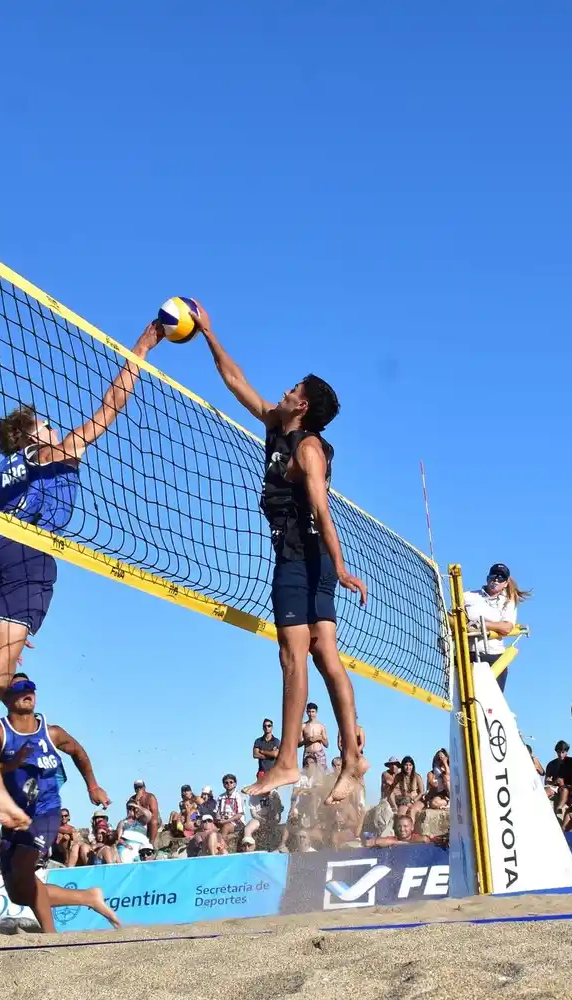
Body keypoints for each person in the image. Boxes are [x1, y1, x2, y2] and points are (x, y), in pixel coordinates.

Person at [0, 320, 163, 827]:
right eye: (44, 423)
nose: (52, 426)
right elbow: (109, 408)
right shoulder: (50, 452)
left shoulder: (7, 471)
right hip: (27, 555)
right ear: (31, 434)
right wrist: (144, 346)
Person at [194, 304, 366, 805]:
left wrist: (338, 565)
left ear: (304, 407)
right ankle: (353, 759)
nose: (286, 391)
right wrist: (208, 332)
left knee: (294, 657)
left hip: (302, 559)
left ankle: (288, 762)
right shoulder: (276, 424)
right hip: (305, 559)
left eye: (294, 390)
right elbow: (234, 378)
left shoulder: (308, 449)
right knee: (323, 654)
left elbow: (322, 507)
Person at [0, 671, 119, 929]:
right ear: (5, 698)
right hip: (13, 816)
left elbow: (78, 752)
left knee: (25, 873)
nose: (28, 691)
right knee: (18, 893)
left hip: (46, 813)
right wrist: (10, 764)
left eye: (31, 686)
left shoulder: (52, 732)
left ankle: (50, 936)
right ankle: (88, 897)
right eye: (20, 687)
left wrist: (92, 786)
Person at [463, 563, 530, 691]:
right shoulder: (468, 596)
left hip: (493, 656)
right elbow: (451, 618)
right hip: (466, 655)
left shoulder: (508, 601)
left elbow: (507, 627)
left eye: (501, 578)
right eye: (494, 576)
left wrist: (483, 624)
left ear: (505, 583)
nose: (496, 580)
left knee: (490, 703)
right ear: (488, 577)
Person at [300, 702, 331, 775]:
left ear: (316, 712)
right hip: (308, 753)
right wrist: (307, 740)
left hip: (319, 753)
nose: (311, 714)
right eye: (309, 712)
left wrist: (320, 738)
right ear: (307, 712)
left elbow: (326, 744)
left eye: (313, 712)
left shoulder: (321, 726)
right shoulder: (303, 726)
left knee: (321, 775)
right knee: (307, 775)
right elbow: (298, 744)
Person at [252, 719, 281, 783]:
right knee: (261, 792)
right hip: (262, 772)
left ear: (272, 727)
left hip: (273, 772)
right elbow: (255, 754)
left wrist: (262, 752)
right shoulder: (258, 741)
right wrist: (270, 754)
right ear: (262, 728)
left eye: (269, 726)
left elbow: (275, 754)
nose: (267, 727)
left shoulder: (276, 741)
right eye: (265, 726)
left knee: (273, 792)